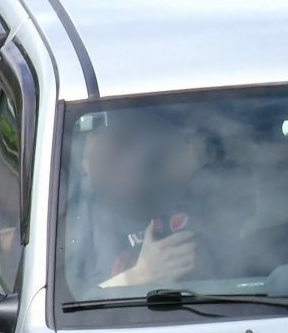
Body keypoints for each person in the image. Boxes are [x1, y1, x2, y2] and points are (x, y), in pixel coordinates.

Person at [64, 112, 203, 293]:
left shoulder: (209, 202)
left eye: (161, 154)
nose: (135, 161)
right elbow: (68, 308)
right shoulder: (69, 222)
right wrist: (140, 275)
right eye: (119, 149)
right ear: (85, 162)